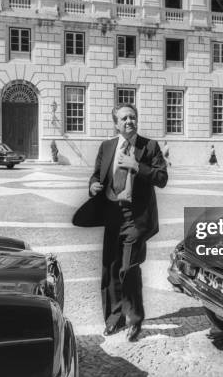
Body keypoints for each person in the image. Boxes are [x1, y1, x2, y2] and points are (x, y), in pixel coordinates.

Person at [73, 103, 168, 342]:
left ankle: (135, 320)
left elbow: (162, 178)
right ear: (116, 123)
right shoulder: (106, 147)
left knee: (129, 268)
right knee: (111, 269)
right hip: (111, 215)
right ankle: (114, 319)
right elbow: (97, 175)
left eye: (133, 117)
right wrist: (93, 185)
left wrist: (138, 167)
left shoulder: (149, 146)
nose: (129, 122)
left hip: (135, 218)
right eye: (124, 118)